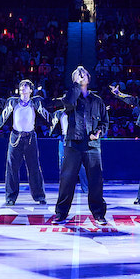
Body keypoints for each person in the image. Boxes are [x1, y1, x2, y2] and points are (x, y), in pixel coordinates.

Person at [0, 80, 49, 206]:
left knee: (34, 167)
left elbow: (52, 102)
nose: (23, 88)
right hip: (15, 137)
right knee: (12, 168)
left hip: (30, 138)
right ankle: (11, 197)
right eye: (21, 86)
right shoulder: (12, 101)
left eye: (26, 86)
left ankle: (39, 196)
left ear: (30, 90)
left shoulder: (36, 102)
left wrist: (67, 99)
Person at [53, 66, 108, 225]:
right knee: (67, 179)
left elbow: (104, 122)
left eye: (83, 73)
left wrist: (98, 132)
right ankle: (61, 213)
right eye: (78, 74)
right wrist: (76, 86)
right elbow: (68, 104)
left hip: (92, 144)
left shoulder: (97, 100)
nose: (81, 75)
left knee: (95, 180)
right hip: (73, 143)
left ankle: (98, 213)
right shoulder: (70, 97)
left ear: (89, 78)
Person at [50, 108, 88, 194]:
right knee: (62, 164)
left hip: (75, 139)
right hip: (63, 138)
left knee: (80, 164)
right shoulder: (59, 113)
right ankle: (65, 187)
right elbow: (52, 122)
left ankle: (86, 187)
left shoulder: (78, 112)